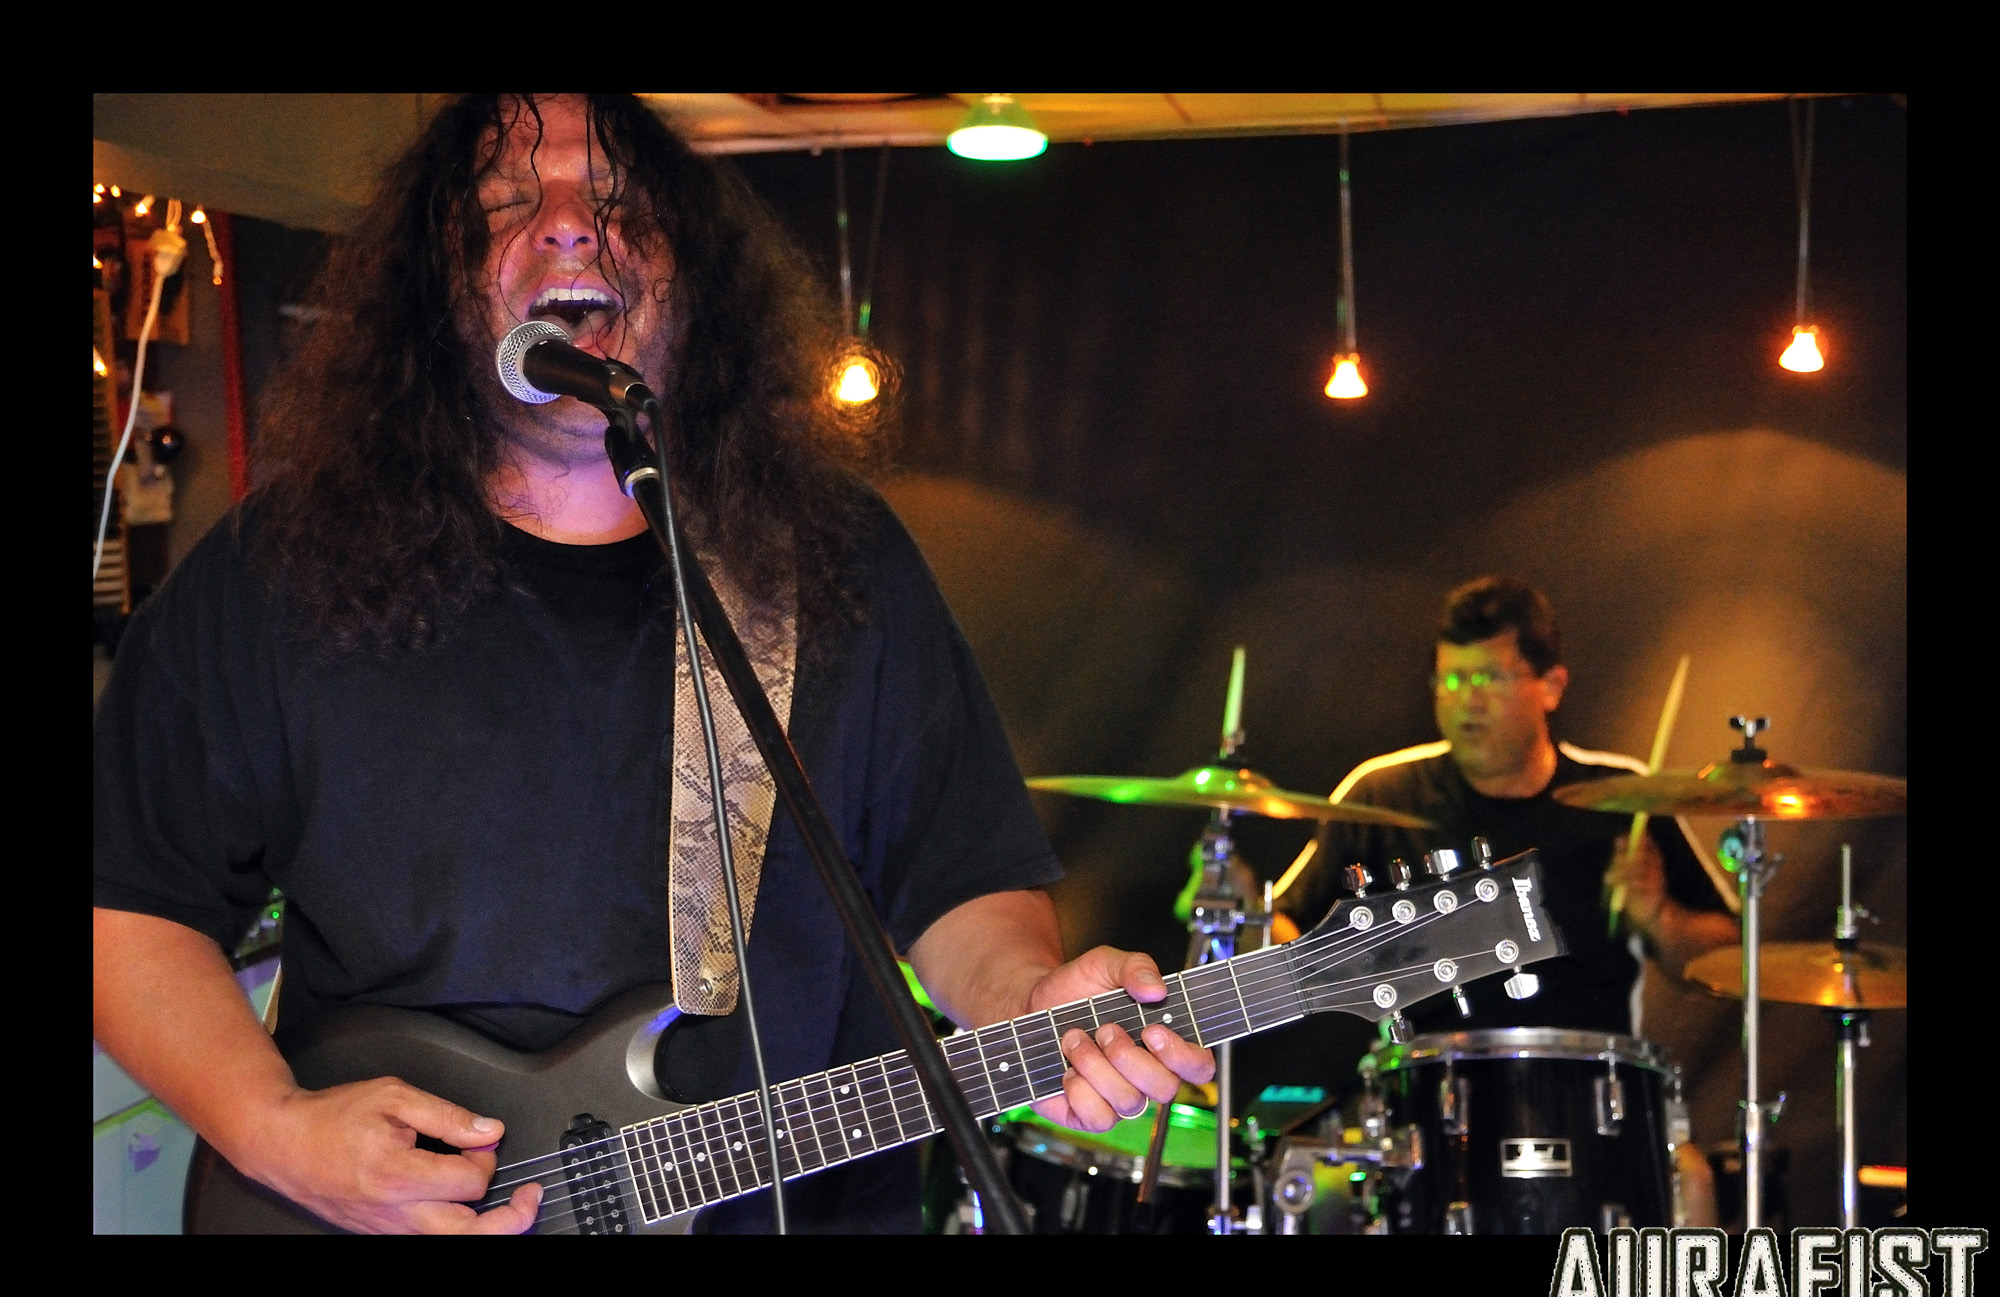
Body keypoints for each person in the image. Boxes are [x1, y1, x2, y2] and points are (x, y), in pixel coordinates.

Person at [92, 93, 1213, 1236]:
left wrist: (1024, 999)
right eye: (504, 203)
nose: (568, 223)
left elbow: (956, 871)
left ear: (693, 278)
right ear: (438, 288)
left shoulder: (832, 557)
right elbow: (125, 907)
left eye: (618, 200)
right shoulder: (280, 571)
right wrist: (273, 1126)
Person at [1281, 575, 1739, 1037]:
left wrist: (1660, 916)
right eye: (1452, 679)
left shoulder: (1623, 801)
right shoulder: (1383, 795)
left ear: (1551, 686)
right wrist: (1245, 916)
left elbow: (1729, 960)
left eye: (1489, 678)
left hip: (1587, 1071)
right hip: (1427, 1070)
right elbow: (1288, 935)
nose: (1468, 701)